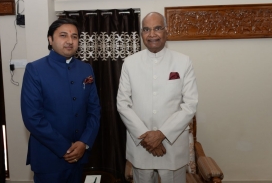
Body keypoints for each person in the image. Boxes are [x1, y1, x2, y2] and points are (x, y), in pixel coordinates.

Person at [117, 12, 198, 183]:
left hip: (172, 143)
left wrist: (162, 134)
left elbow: (189, 104)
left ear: (166, 31)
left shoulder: (183, 62)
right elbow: (123, 104)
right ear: (141, 34)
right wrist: (146, 136)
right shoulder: (130, 63)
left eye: (157, 28)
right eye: (146, 29)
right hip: (141, 144)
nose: (152, 34)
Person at [21, 18, 101, 183]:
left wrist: (84, 143)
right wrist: (65, 148)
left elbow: (94, 110)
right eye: (63, 35)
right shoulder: (35, 70)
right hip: (48, 158)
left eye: (74, 36)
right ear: (50, 39)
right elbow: (32, 118)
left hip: (80, 156)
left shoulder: (86, 69)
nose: (70, 41)